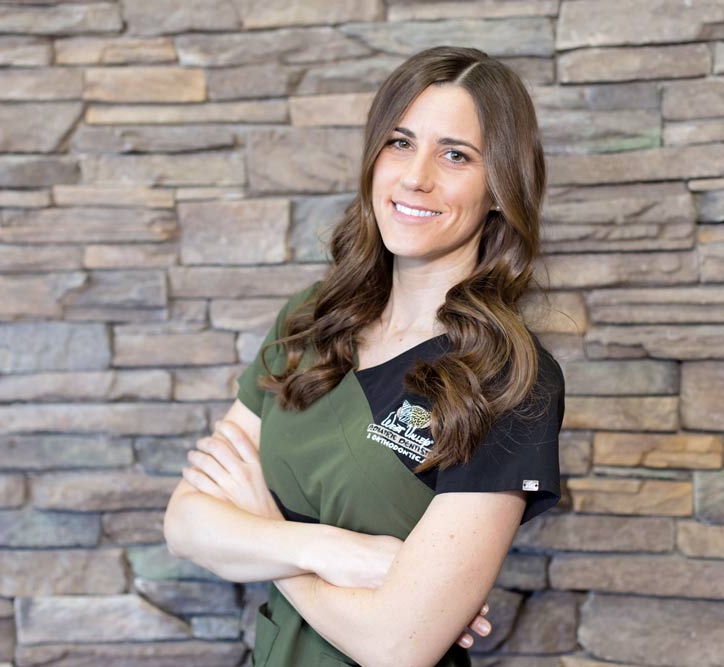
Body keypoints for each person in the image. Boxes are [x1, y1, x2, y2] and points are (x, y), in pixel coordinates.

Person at [163, 45, 566, 667]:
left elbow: (395, 647)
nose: (415, 176)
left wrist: (264, 534)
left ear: (498, 188)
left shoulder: (509, 378)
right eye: (399, 143)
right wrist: (336, 552)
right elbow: (186, 523)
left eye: (455, 154)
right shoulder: (312, 319)